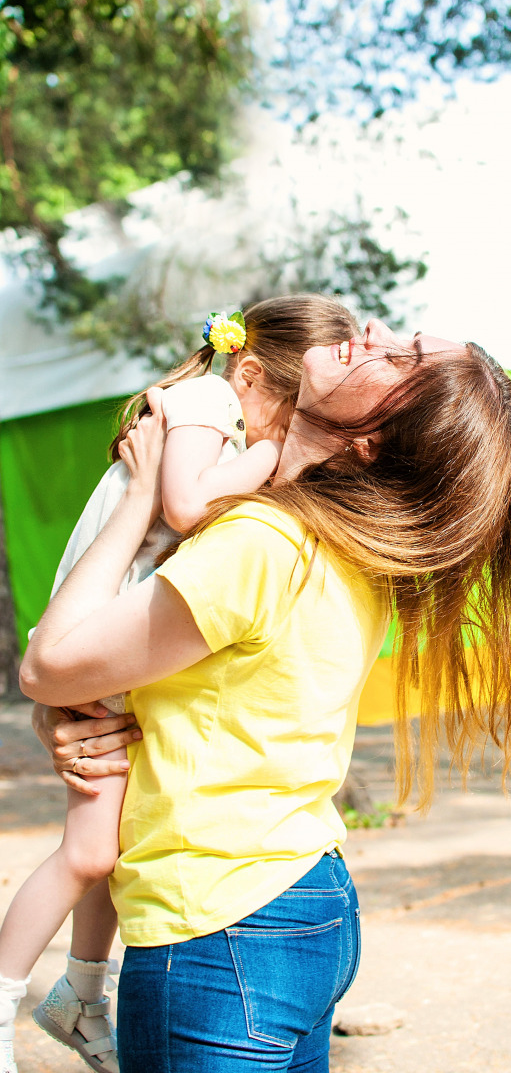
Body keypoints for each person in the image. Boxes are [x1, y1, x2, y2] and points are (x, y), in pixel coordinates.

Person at [20, 317, 511, 1072]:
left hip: (217, 928)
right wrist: (62, 721)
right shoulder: (347, 547)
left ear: (371, 442)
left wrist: (136, 501)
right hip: (305, 900)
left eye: (400, 358)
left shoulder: (260, 543)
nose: (375, 328)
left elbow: (51, 666)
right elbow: (205, 699)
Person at [0, 294, 359, 1073]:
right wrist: (280, 454)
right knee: (86, 852)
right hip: (92, 621)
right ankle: (8, 1000)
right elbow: (187, 503)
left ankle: (82, 993)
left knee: (109, 843)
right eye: (292, 407)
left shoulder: (226, 419)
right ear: (252, 372)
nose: (288, 425)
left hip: (112, 622)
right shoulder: (203, 403)